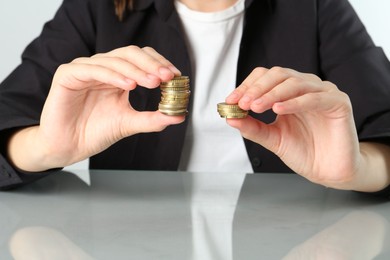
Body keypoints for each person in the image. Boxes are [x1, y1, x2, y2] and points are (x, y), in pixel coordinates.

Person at [0, 0, 390, 196]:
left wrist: (360, 169)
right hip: (131, 239)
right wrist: (44, 148)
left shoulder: (315, 6)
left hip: (294, 234)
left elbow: (384, 123)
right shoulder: (98, 7)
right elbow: (8, 113)